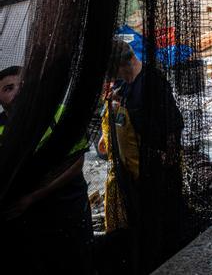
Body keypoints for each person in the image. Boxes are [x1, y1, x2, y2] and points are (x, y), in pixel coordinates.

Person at [100, 38, 188, 269]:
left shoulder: (152, 83)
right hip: (137, 169)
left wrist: (168, 157)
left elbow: (173, 123)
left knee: (161, 220)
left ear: (121, 65)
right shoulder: (127, 85)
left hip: (157, 167)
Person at [0, 65, 93, 272]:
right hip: (27, 223)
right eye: (8, 89)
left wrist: (33, 197)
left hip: (70, 211)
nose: (18, 92)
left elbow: (76, 163)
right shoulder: (1, 128)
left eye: (23, 85)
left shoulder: (59, 114)